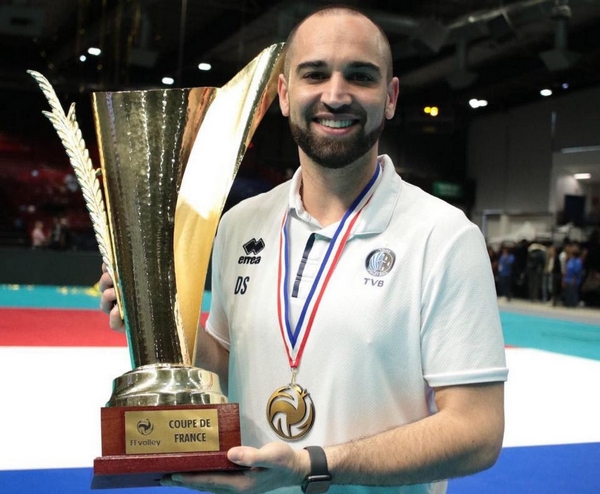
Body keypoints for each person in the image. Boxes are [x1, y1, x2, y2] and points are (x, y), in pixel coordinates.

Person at [100, 6, 507, 493]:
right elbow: (228, 366)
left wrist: (314, 464)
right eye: (315, 74)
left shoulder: (444, 236)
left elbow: (477, 431)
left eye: (360, 76)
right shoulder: (238, 224)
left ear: (391, 97)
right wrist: (156, 315)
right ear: (284, 94)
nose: (335, 95)